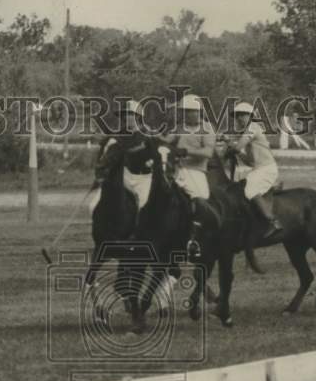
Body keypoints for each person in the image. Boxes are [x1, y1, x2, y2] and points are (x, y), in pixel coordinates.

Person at [161, 94, 216, 259]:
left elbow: (208, 152)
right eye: (185, 111)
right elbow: (166, 140)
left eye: (191, 111)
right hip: (177, 170)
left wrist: (186, 151)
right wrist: (152, 135)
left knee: (201, 200)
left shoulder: (207, 128)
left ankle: (194, 240)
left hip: (195, 171)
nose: (187, 114)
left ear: (199, 111)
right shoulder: (180, 127)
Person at [225, 101, 283, 241]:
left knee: (249, 191)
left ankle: (273, 221)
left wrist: (229, 143)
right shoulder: (247, 132)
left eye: (243, 115)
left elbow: (237, 148)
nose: (239, 118)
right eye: (237, 116)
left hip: (267, 169)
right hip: (260, 169)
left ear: (250, 116)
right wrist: (235, 151)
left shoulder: (253, 127)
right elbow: (250, 161)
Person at [88, 99, 148, 214]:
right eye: (125, 115)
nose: (127, 118)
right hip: (121, 177)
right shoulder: (117, 137)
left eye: (131, 114)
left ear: (139, 117)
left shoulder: (148, 136)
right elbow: (104, 158)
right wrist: (100, 174)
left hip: (143, 178)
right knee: (93, 207)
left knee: (143, 207)